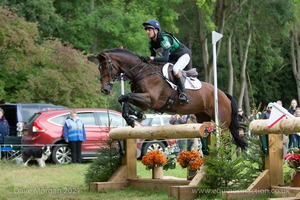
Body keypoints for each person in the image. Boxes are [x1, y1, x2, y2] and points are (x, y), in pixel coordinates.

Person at [141, 19, 191, 103]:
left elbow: (164, 59)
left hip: (183, 55)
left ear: (156, 30)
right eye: (146, 30)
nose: (147, 32)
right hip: (172, 58)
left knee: (175, 69)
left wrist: (150, 58)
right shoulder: (151, 44)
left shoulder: (164, 39)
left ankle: (183, 94)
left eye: (149, 29)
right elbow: (153, 59)